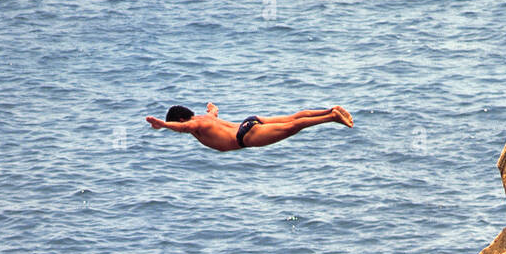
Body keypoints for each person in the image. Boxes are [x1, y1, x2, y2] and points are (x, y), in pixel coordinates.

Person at [146, 102, 354, 152]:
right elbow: (214, 111)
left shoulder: (194, 125)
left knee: (292, 126)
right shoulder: (205, 117)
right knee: (293, 117)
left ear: (181, 120)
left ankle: (332, 117)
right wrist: (212, 107)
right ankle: (329, 110)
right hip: (248, 122)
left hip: (245, 137)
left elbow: (182, 128)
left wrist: (163, 124)